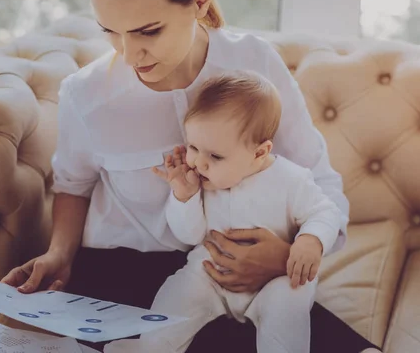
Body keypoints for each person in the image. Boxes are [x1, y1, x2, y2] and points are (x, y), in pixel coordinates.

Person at [0, 0, 381, 352]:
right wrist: (59, 254)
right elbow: (73, 186)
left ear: (200, 1)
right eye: (110, 31)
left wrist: (287, 257)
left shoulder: (255, 63)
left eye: (148, 31)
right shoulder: (85, 94)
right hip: (121, 273)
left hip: (237, 270)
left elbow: (318, 182)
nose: (130, 55)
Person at [106, 72, 347, 353]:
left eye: (215, 156)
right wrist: (184, 196)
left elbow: (325, 212)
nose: (198, 162)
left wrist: (311, 240)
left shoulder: (292, 180)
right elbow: (190, 235)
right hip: (210, 276)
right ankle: (150, 347)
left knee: (287, 313)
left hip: (274, 282)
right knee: (172, 304)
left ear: (259, 153)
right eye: (193, 147)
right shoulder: (200, 181)